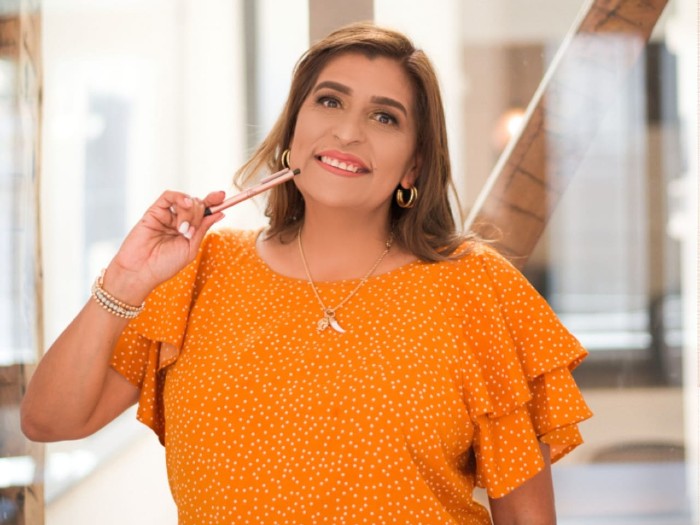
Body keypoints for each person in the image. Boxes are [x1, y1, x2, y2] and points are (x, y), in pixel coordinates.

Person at [21, 22, 592, 525]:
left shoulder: (475, 288)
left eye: (384, 117)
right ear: (293, 129)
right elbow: (49, 420)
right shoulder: (201, 273)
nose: (347, 132)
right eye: (329, 101)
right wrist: (124, 280)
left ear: (414, 163)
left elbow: (526, 518)